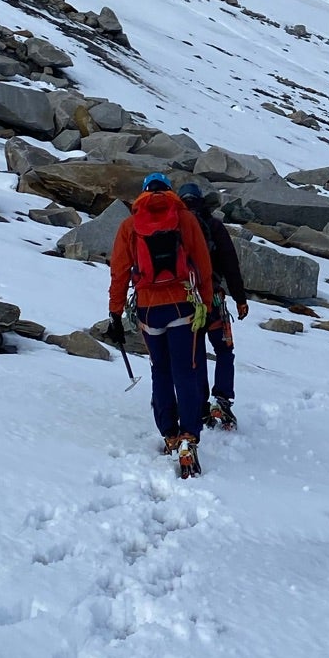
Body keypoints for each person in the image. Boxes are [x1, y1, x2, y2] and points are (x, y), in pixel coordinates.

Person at [108, 173, 214, 477]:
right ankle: (188, 438)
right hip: (182, 304)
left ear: (142, 193)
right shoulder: (184, 219)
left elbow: (120, 272)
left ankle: (169, 433)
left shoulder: (130, 225)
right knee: (186, 369)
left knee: (161, 370)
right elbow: (203, 264)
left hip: (148, 310)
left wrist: (115, 312)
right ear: (169, 191)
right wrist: (205, 305)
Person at [178, 181, 249, 428]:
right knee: (223, 350)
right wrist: (240, 299)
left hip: (184, 300)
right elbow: (230, 265)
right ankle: (222, 400)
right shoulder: (214, 226)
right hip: (214, 298)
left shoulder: (175, 225)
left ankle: (199, 405)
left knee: (195, 354)